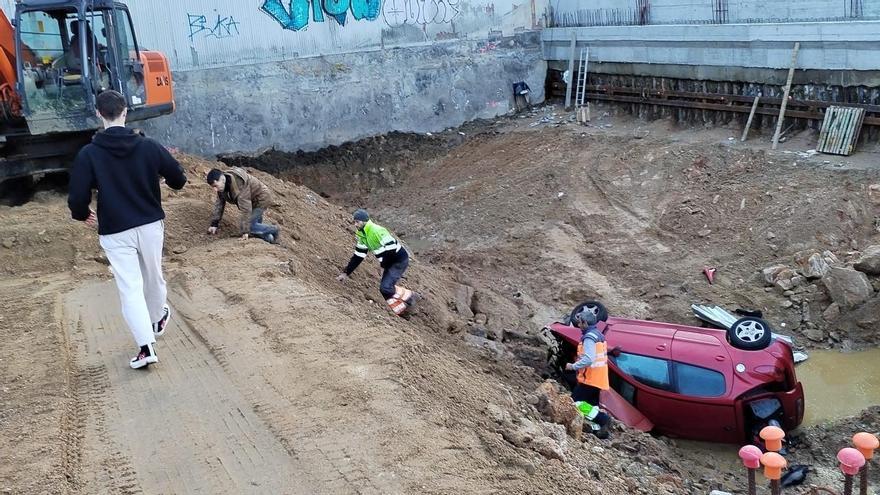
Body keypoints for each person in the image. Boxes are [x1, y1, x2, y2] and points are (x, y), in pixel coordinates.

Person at [68, 90, 187, 369]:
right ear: (125, 112)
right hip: (149, 224)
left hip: (115, 230)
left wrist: (82, 214)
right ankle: (158, 317)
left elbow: (76, 197)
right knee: (154, 275)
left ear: (98, 114)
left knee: (130, 288)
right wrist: (163, 180)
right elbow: (178, 179)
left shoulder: (89, 154)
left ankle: (146, 348)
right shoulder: (148, 147)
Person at [336, 209, 418, 316]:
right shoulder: (362, 234)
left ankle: (410, 297)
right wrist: (346, 273)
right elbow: (358, 255)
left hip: (398, 259)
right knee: (384, 290)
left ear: (365, 221)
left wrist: (384, 265)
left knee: (385, 288)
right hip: (389, 261)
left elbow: (392, 249)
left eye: (357, 222)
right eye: (354, 222)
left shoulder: (377, 230)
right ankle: (403, 312)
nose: (355, 224)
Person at [565, 308, 612, 438]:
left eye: (579, 322)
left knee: (575, 403)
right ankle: (599, 432)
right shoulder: (598, 335)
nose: (578, 325)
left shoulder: (589, 338)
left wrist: (573, 366)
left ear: (585, 323)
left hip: (590, 378)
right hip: (598, 377)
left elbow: (589, 358)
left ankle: (603, 419)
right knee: (592, 405)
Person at [206, 167, 279, 244]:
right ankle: (270, 239)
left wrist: (245, 232)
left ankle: (274, 229)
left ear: (222, 179)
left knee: (247, 226)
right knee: (254, 230)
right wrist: (214, 224)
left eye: (215, 185)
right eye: (213, 187)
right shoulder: (222, 186)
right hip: (251, 201)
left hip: (261, 200)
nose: (215, 189)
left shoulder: (239, 185)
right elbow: (219, 204)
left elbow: (246, 209)